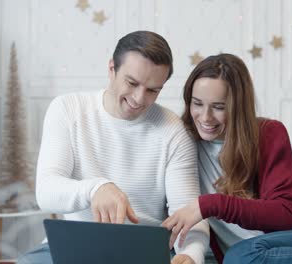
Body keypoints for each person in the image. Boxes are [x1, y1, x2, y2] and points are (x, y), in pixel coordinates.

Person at [18, 31, 209, 264]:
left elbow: (189, 215)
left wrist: (191, 255)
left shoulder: (174, 131)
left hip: (142, 251)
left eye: (152, 90)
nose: (139, 99)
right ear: (112, 69)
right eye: (132, 83)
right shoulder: (67, 109)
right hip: (73, 246)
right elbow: (46, 193)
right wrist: (96, 188)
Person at [162, 53, 292, 264]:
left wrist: (210, 204)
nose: (205, 117)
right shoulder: (182, 143)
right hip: (253, 258)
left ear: (238, 107)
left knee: (240, 255)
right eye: (197, 103)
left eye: (218, 107)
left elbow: (283, 214)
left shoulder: (269, 133)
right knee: (237, 257)